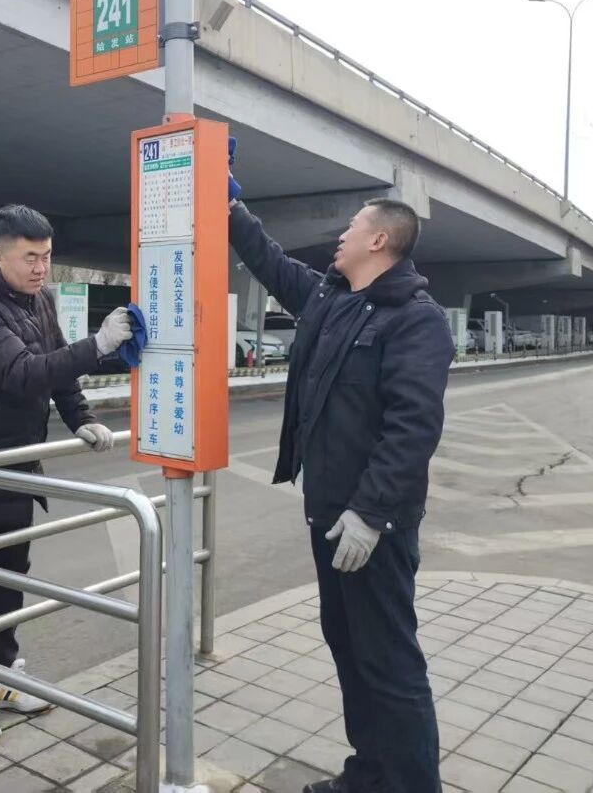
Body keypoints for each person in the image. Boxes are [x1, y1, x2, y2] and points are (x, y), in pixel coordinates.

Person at [228, 190, 454, 793]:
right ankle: (371, 775)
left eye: (352, 227)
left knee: (388, 660)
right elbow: (272, 264)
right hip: (328, 515)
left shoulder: (415, 319)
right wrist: (232, 211)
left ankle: (410, 785)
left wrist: (370, 514)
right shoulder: (333, 299)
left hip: (372, 526)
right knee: (351, 650)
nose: (341, 236)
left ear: (378, 240)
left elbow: (413, 428)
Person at [0, 204, 132, 747]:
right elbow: (22, 373)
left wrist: (81, 417)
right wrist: (99, 346)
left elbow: (56, 366)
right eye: (30, 257)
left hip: (17, 465)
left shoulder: (38, 300)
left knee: (9, 577)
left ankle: (0, 676)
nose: (41, 268)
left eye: (47, 257)